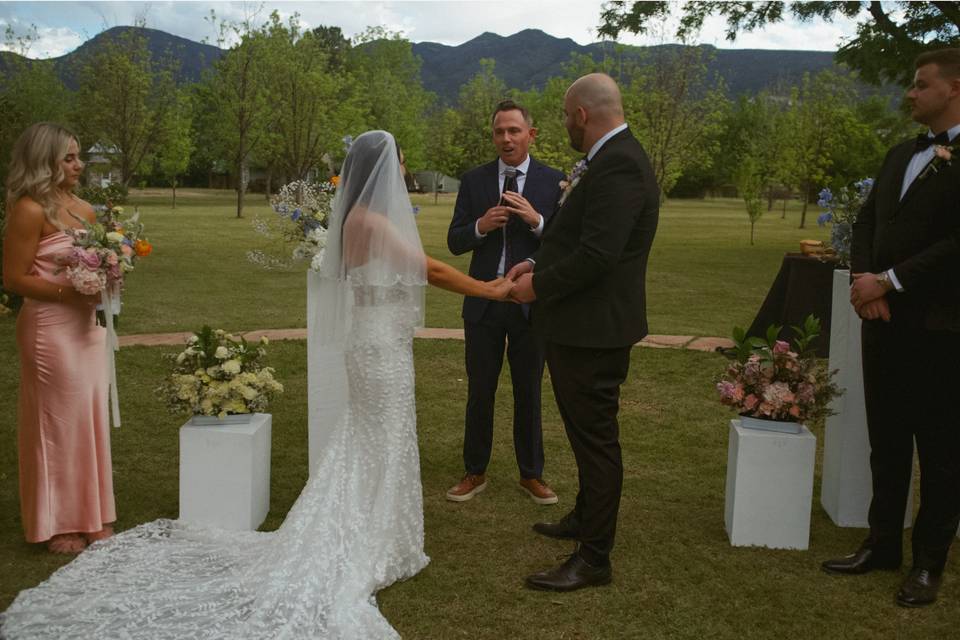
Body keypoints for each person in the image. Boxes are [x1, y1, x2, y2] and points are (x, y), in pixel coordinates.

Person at [0, 130, 512, 639]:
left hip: (376, 341)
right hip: (380, 347)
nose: (403, 170)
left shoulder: (356, 217)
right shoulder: (372, 218)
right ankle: (371, 537)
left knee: (372, 437)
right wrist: (488, 288)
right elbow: (430, 268)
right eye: (399, 161)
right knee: (380, 436)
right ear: (384, 168)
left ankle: (380, 530)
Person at [508, 73, 659, 591]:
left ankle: (594, 557)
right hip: (579, 323)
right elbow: (577, 240)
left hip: (594, 329)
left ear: (580, 115)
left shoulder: (619, 164)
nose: (565, 127)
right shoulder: (610, 160)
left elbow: (598, 255)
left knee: (596, 440)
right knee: (582, 432)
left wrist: (537, 288)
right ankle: (584, 517)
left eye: (565, 117)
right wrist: (535, 266)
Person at [821, 48, 960, 608]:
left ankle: (929, 563)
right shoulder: (900, 152)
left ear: (953, 87)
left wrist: (892, 281)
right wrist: (863, 281)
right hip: (882, 324)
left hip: (942, 328)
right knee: (887, 440)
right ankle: (882, 544)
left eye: (920, 84)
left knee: (943, 451)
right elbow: (867, 220)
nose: (909, 93)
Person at [1, 122, 114, 555]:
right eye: (69, 157)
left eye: (78, 155)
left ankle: (93, 514)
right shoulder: (29, 210)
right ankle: (60, 522)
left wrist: (109, 276)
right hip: (49, 329)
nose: (79, 164)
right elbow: (13, 278)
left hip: (87, 329)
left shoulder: (85, 210)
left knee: (88, 419)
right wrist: (73, 292)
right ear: (44, 161)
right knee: (57, 425)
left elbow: (100, 261)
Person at [445, 100, 564, 504]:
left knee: (528, 389)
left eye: (514, 131)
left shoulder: (556, 182)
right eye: (499, 131)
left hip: (532, 304)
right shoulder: (475, 180)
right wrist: (480, 226)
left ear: (530, 134)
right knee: (480, 389)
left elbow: (567, 244)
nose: (506, 138)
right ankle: (474, 471)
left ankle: (531, 474)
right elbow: (455, 240)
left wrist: (538, 222)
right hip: (482, 302)